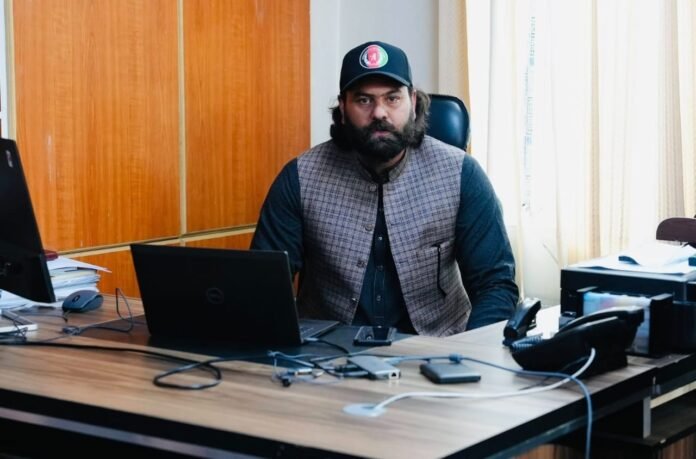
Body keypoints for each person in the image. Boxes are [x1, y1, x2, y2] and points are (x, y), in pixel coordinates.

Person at [251, 41, 518, 336]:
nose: (379, 113)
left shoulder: (462, 174)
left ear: (412, 102)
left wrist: (466, 352)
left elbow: (495, 286)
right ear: (343, 108)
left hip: (438, 349)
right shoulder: (300, 177)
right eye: (364, 100)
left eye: (392, 98)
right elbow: (262, 286)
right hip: (328, 352)